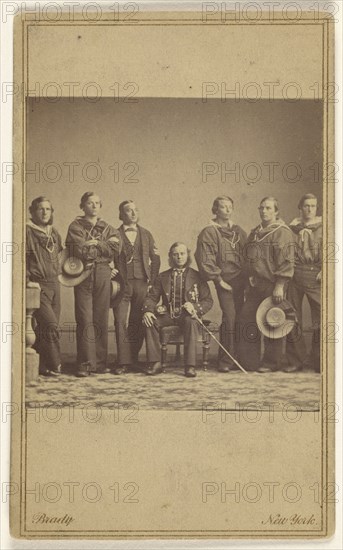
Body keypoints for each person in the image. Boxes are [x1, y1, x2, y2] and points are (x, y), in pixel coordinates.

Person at [65, 192, 120, 377]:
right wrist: (102, 245)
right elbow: (81, 250)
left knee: (101, 317)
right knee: (84, 318)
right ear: (83, 206)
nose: (94, 206)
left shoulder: (109, 227)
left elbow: (115, 249)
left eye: (97, 203)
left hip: (104, 273)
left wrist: (95, 243)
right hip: (83, 273)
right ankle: (85, 364)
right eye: (90, 203)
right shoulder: (75, 226)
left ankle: (100, 362)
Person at [239, 197, 295, 372]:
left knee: (273, 321)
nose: (264, 211)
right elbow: (248, 257)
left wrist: (280, 285)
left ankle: (271, 363)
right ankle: (249, 362)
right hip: (256, 284)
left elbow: (287, 261)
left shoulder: (282, 232)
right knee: (246, 318)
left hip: (273, 284)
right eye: (261, 208)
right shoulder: (255, 232)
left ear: (276, 211)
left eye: (268, 208)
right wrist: (250, 276)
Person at [142, 242, 213, 377]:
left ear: (187, 255)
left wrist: (195, 308)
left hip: (188, 315)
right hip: (168, 315)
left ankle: (190, 366)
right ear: (171, 257)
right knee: (150, 321)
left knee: (191, 321)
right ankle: (155, 362)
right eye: (175, 254)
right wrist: (148, 311)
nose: (179, 257)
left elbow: (208, 300)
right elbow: (151, 297)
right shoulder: (162, 276)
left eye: (182, 253)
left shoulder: (198, 276)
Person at [195, 196, 247, 372]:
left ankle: (241, 358)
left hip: (243, 280)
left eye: (230, 207)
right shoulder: (209, 232)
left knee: (242, 317)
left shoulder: (238, 231)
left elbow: (249, 252)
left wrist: (251, 276)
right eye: (223, 207)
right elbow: (206, 259)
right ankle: (226, 361)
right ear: (215, 210)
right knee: (230, 317)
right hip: (225, 281)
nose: (227, 210)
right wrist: (219, 281)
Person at [112, 200, 160, 375]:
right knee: (120, 321)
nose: (132, 213)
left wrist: (152, 282)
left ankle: (132, 357)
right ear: (121, 214)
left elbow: (156, 259)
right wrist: (111, 269)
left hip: (142, 282)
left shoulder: (146, 234)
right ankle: (123, 362)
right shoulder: (114, 234)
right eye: (128, 210)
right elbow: (105, 257)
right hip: (121, 284)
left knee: (138, 321)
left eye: (135, 210)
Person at [26, 196, 63, 376]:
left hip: (55, 284)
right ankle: (56, 364)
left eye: (48, 209)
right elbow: (21, 259)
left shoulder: (53, 232)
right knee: (51, 325)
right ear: (32, 212)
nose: (44, 212)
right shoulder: (27, 231)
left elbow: (61, 257)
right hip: (38, 285)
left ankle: (42, 366)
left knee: (43, 328)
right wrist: (28, 281)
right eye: (40, 209)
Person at [285, 194, 322, 373]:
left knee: (321, 317)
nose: (310, 209)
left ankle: (319, 360)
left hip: (316, 275)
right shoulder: (292, 228)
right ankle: (295, 360)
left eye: (313, 206)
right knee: (293, 316)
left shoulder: (324, 226)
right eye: (306, 205)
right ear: (300, 207)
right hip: (295, 274)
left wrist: (325, 270)